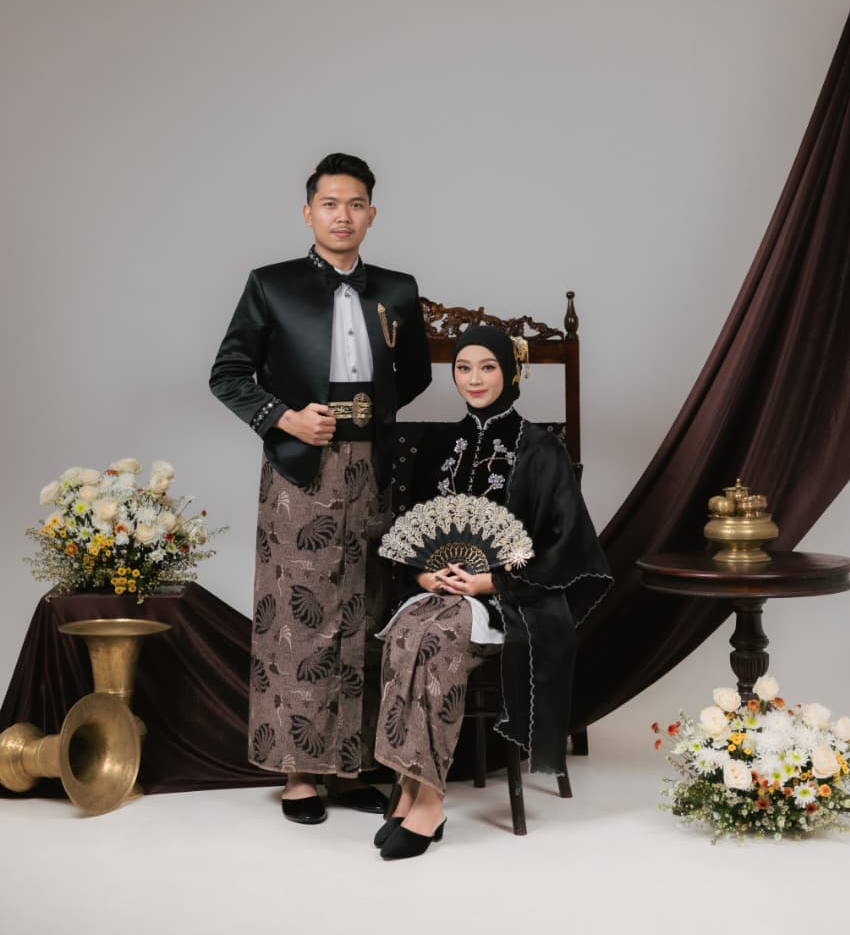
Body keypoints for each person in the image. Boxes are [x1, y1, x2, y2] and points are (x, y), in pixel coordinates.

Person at [209, 152, 432, 825]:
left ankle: (351, 766)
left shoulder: (396, 289)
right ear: (308, 212)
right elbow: (228, 373)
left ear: (372, 214)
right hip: (299, 465)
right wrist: (285, 418)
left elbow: (416, 373)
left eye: (355, 204)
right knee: (297, 614)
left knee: (364, 609)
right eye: (330, 204)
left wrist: (371, 414)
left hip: (374, 467)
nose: (343, 215)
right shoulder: (270, 285)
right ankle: (299, 773)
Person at [372, 324, 611, 859]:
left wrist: (490, 580)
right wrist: (425, 576)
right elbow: (411, 532)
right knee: (405, 633)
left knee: (437, 640)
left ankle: (429, 802)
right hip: (441, 590)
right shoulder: (437, 445)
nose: (474, 379)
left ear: (510, 372)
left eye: (487, 367)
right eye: (463, 368)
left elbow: (568, 547)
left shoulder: (541, 448)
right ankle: (407, 786)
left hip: (509, 599)